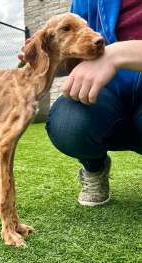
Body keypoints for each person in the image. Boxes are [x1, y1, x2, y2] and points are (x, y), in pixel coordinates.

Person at [45, 0, 142, 206]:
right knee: (68, 122)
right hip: (107, 96)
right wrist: (47, 59)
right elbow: (73, 54)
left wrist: (116, 54)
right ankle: (94, 167)